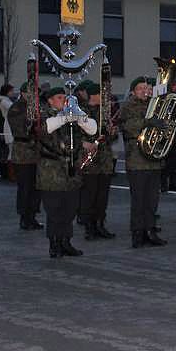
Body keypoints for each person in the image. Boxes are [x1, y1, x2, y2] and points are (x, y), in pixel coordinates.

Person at [38, 87, 98, 258]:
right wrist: (65, 117)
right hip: (52, 172)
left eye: (65, 97)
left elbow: (91, 129)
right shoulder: (44, 114)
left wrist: (78, 117)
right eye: (59, 97)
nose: (63, 100)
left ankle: (66, 241)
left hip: (71, 172)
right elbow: (44, 131)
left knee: (70, 209)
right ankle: (54, 243)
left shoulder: (72, 115)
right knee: (55, 210)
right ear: (50, 100)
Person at [119, 76, 167, 248]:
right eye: (140, 88)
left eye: (147, 88)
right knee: (139, 200)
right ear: (133, 91)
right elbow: (128, 126)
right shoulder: (127, 106)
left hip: (153, 160)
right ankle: (137, 234)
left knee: (152, 200)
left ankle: (150, 231)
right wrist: (148, 121)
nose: (145, 91)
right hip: (137, 160)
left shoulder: (154, 106)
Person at [79, 83, 117, 240]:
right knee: (90, 195)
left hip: (105, 160)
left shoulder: (104, 113)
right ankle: (89, 227)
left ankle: (100, 224)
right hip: (90, 161)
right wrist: (84, 142)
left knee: (102, 196)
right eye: (101, 95)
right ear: (94, 95)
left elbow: (110, 137)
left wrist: (112, 132)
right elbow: (74, 134)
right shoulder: (82, 113)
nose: (103, 98)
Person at [7, 82, 44, 231]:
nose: (35, 96)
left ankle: (33, 216)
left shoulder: (36, 107)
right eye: (32, 93)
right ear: (23, 93)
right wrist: (32, 115)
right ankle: (24, 217)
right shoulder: (16, 108)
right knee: (25, 187)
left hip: (37, 152)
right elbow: (20, 129)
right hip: (23, 152)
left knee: (36, 187)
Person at [0, 83, 16, 181]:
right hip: (9, 126)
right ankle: (11, 174)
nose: (13, 93)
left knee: (12, 151)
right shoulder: (3, 101)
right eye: (11, 91)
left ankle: (11, 174)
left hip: (11, 125)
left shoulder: (6, 100)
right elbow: (14, 109)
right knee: (11, 151)